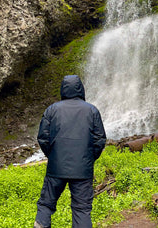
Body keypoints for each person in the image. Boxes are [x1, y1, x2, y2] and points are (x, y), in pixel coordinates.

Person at [34, 75, 106, 228]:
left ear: (63, 89)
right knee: (82, 209)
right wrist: (88, 158)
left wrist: (53, 156)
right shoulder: (92, 110)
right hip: (82, 169)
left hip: (56, 168)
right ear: (81, 88)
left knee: (46, 204)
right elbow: (99, 140)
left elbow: (42, 138)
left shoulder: (51, 110)